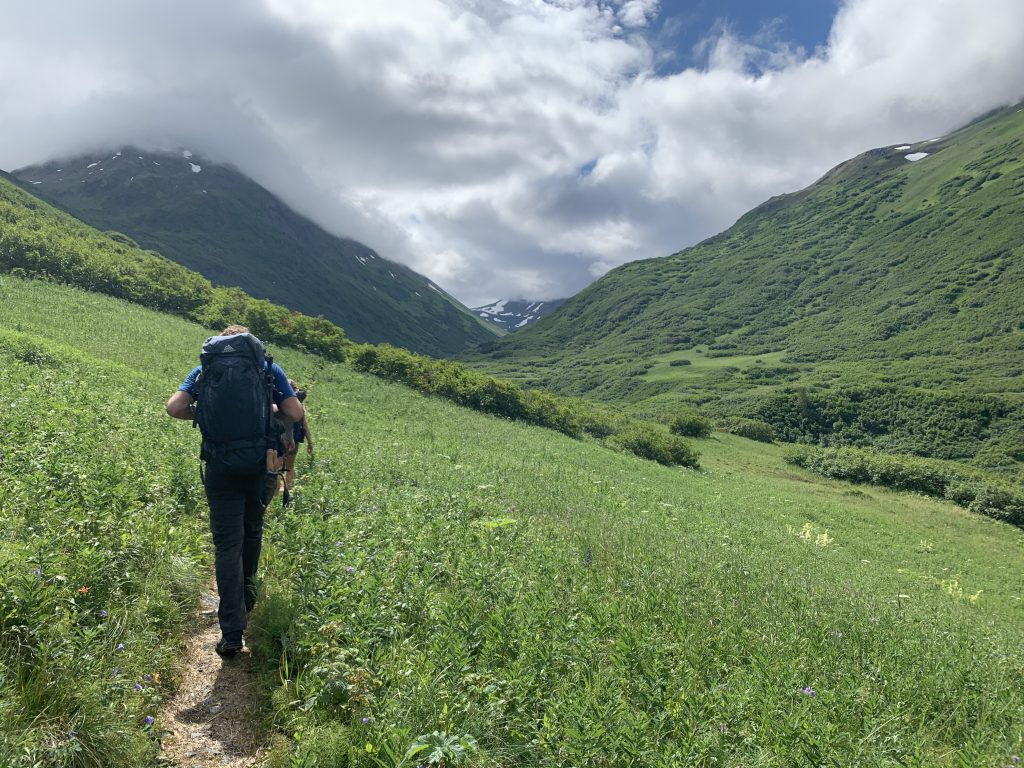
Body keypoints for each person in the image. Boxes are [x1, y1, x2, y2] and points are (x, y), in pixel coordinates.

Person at [166, 325, 303, 656]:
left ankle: (231, 631)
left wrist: (205, 414)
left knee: (227, 543)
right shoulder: (267, 368)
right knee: (252, 532)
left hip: (220, 465)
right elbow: (295, 413)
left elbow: (174, 408)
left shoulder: (206, 368)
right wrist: (267, 411)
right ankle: (249, 600)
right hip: (261, 464)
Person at [282, 379, 314, 496]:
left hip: (279, 439)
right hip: (294, 440)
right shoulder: (299, 408)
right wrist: (310, 442)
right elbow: (305, 426)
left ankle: (277, 491)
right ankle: (289, 491)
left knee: (277, 465)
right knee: (290, 467)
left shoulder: (280, 403)